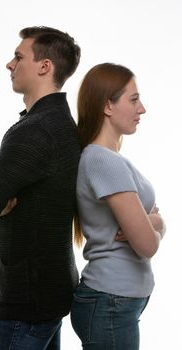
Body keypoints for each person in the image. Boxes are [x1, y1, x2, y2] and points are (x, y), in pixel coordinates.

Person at [0, 26, 81, 350]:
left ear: (45, 67)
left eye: (18, 56)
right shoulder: (56, 121)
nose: (9, 64)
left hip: (25, 302)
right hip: (43, 294)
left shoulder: (38, 130)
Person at [70, 63, 166, 350]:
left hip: (115, 301)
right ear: (107, 106)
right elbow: (147, 246)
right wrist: (157, 224)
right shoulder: (103, 161)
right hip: (110, 301)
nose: (142, 109)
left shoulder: (107, 158)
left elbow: (149, 232)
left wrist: (156, 224)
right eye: (133, 100)